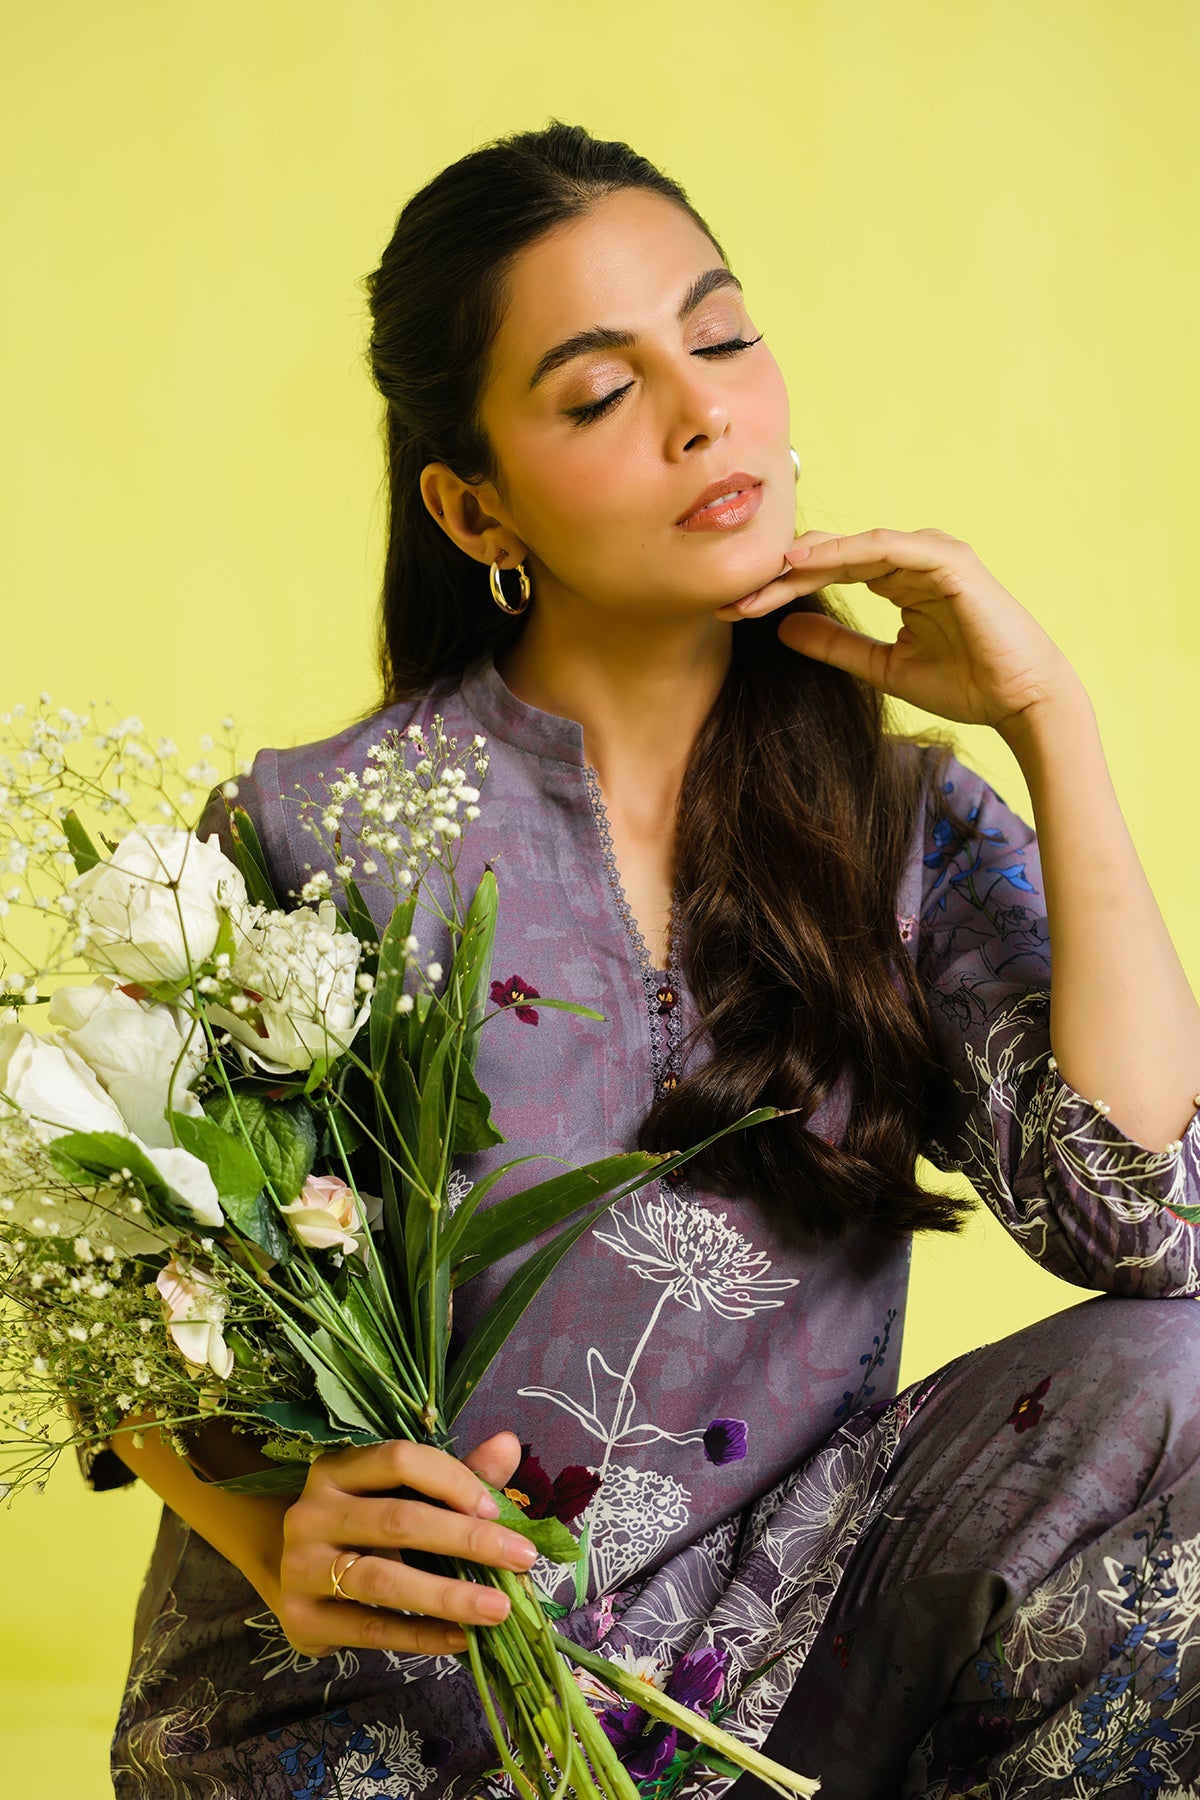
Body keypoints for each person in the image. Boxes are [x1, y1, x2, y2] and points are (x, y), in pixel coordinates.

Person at [95, 121, 1200, 1799]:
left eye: (724, 336)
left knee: (1179, 1379)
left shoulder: (898, 826)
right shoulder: (317, 834)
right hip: (401, 1695)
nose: (703, 414)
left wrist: (1053, 726)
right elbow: (126, 1290)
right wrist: (267, 1530)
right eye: (603, 392)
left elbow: (1151, 1223)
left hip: (756, 1663)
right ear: (474, 505)